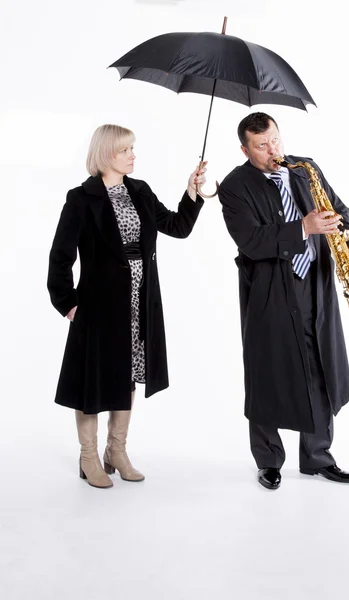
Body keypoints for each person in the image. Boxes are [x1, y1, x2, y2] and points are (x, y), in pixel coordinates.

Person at [48, 124, 206, 489]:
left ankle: (115, 450)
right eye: (126, 150)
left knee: (128, 372)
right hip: (98, 304)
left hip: (139, 299)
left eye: (133, 148)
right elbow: (60, 257)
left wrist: (192, 192)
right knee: (92, 378)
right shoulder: (81, 198)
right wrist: (68, 303)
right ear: (107, 155)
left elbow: (178, 226)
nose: (133, 155)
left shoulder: (140, 191)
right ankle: (89, 457)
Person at [218, 112, 349, 490]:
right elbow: (250, 241)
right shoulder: (233, 186)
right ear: (245, 149)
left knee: (319, 367)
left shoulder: (304, 167)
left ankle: (317, 458)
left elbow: (340, 210)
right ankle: (268, 461)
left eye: (275, 140)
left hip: (314, 283)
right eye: (262, 146)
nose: (272, 151)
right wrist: (303, 227)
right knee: (266, 371)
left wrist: (342, 229)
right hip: (268, 289)